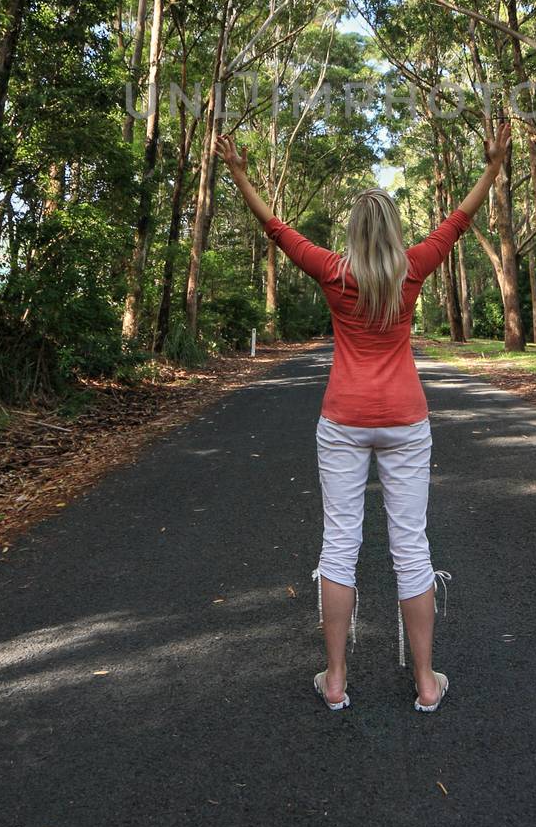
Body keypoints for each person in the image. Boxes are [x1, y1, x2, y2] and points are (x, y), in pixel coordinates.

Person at [214, 119, 512, 715]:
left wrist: (241, 175)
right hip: (405, 419)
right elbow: (460, 219)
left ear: (352, 231)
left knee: (339, 547)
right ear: (396, 230)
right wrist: (494, 164)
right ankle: (427, 682)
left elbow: (277, 230)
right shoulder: (414, 267)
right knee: (410, 547)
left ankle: (335, 679)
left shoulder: (332, 270)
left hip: (344, 420)